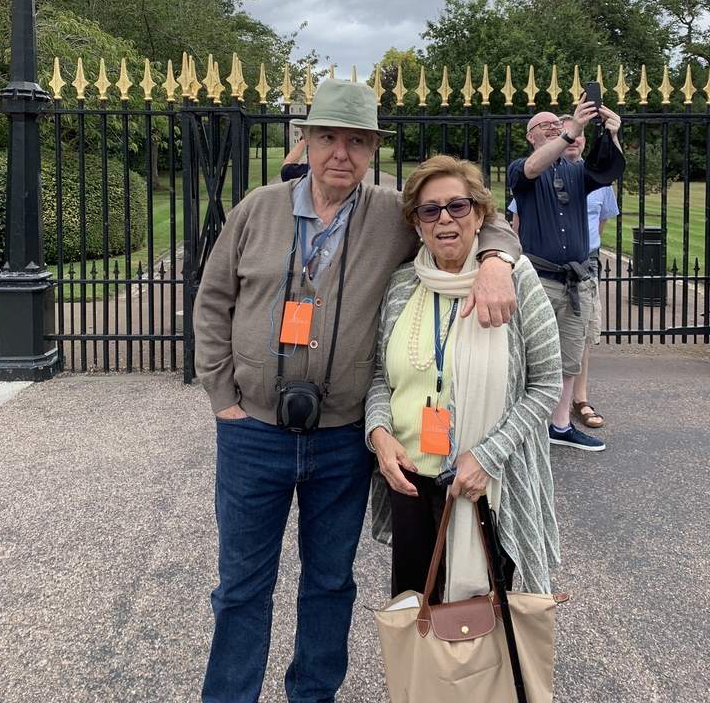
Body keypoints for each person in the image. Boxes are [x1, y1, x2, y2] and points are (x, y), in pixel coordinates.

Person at [193, 79, 522, 703]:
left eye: (356, 141)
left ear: (372, 149)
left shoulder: (391, 213)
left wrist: (500, 259)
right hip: (253, 432)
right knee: (240, 586)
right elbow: (212, 301)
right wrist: (221, 396)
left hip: (342, 439)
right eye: (327, 138)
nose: (340, 153)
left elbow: (480, 215)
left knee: (328, 582)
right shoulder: (258, 209)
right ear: (306, 140)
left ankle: (313, 696)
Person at [366, 156, 563, 606]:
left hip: (485, 483)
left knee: (485, 621)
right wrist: (379, 435)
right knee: (417, 614)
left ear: (479, 214)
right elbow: (380, 375)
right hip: (410, 480)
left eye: (458, 206)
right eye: (429, 210)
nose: (445, 219)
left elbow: (547, 384)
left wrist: (488, 456)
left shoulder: (513, 279)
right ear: (416, 224)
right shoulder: (401, 285)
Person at [507, 97, 624, 452]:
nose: (554, 129)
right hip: (538, 281)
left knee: (570, 358)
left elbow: (607, 170)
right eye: (545, 126)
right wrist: (570, 130)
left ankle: (559, 426)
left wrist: (612, 135)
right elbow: (531, 169)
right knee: (527, 355)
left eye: (556, 125)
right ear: (530, 137)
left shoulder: (577, 172)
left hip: (576, 281)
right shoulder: (520, 169)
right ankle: (523, 426)